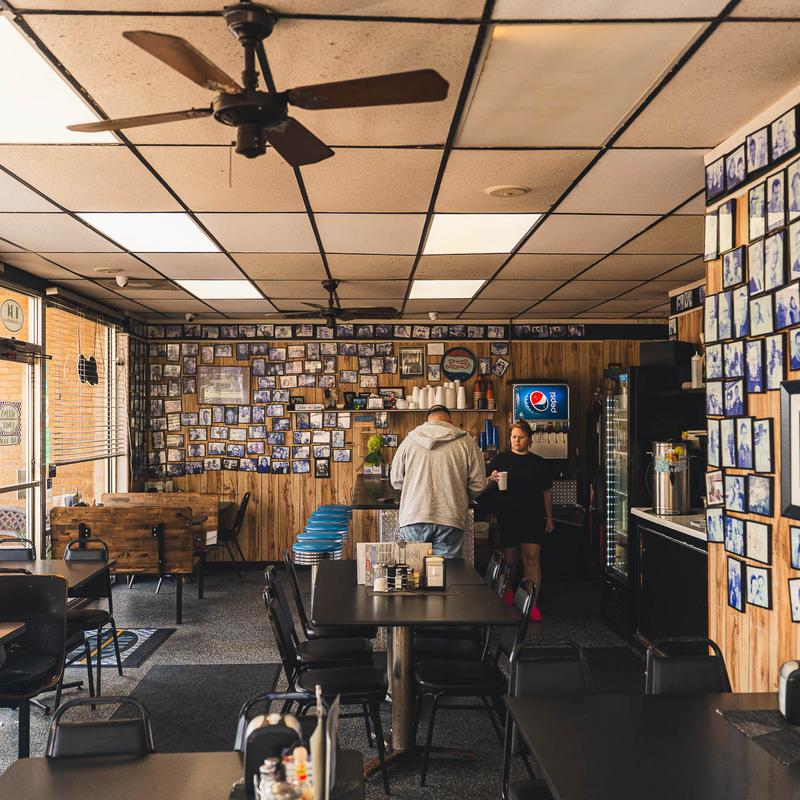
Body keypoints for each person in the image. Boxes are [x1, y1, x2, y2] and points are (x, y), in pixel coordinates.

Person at [390, 404, 486, 558]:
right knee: (448, 571)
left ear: (428, 421)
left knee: (414, 570)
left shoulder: (409, 441)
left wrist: (413, 488)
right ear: (450, 422)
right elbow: (479, 484)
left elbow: (396, 480)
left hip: (414, 516)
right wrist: (459, 495)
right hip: (450, 517)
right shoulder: (466, 442)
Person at [483, 420, 554, 621]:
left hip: (533, 516)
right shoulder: (500, 460)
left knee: (532, 558)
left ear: (529, 439)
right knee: (510, 560)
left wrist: (549, 518)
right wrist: (491, 479)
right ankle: (507, 594)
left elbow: (547, 492)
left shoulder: (539, 463)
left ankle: (532, 604)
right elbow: (484, 486)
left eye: (521, 437)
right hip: (508, 516)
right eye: (513, 437)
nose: (516, 440)